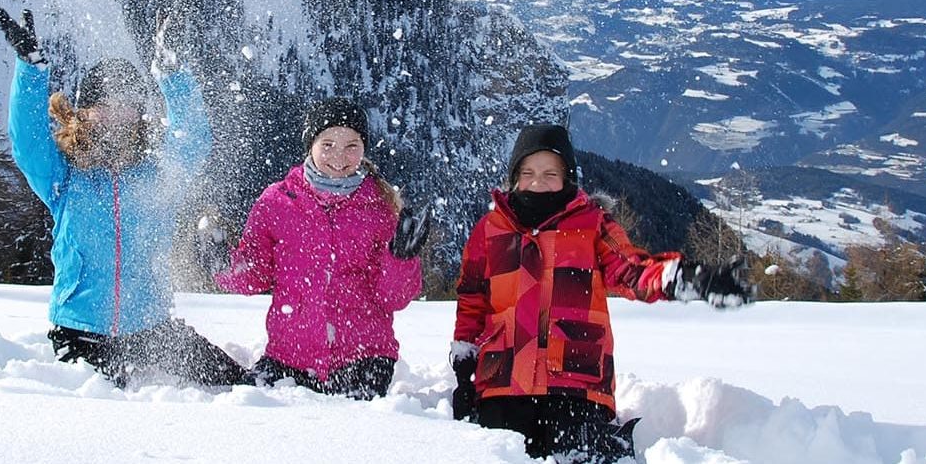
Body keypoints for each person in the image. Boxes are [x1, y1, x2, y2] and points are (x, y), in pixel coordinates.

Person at [450, 123, 752, 463]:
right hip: (502, 384)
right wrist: (465, 369)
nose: (538, 182)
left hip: (577, 384)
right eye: (528, 172)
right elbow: (472, 301)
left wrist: (682, 277)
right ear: (514, 176)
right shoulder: (490, 229)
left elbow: (631, 270)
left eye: (551, 173)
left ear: (568, 178)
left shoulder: (592, 225)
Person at [0, 3, 247, 388]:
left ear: (137, 114)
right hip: (80, 333)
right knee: (103, 411)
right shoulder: (65, 175)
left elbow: (192, 140)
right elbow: (27, 142)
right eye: (101, 107)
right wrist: (30, 69)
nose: (113, 116)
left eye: (124, 107)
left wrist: (171, 74)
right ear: (83, 113)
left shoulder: (159, 175)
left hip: (152, 331)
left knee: (239, 387)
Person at [204, 97, 433, 398]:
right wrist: (223, 265)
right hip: (290, 355)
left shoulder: (381, 207)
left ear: (364, 149)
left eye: (352, 145)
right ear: (310, 145)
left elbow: (391, 298)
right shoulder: (276, 202)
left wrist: (402, 259)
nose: (339, 156)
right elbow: (255, 275)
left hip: (364, 357)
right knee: (250, 410)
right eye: (328, 144)